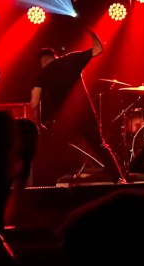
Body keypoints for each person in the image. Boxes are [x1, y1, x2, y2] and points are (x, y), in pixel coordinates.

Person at [31, 29, 126, 184]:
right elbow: (98, 49)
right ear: (55, 56)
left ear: (41, 62)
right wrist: (92, 34)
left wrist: (38, 123)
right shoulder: (71, 59)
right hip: (84, 112)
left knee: (54, 150)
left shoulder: (42, 74)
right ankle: (119, 179)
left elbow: (34, 102)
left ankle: (47, 185)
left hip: (63, 118)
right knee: (100, 145)